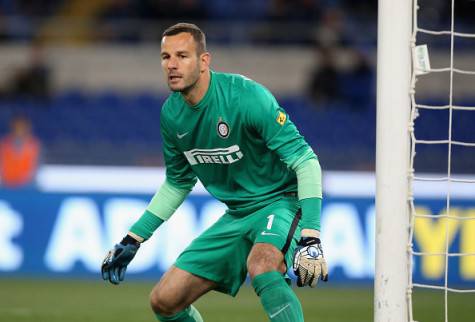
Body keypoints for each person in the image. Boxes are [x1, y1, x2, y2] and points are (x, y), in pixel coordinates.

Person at [102, 23, 328, 322]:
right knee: (165, 300)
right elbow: (178, 182)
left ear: (204, 60)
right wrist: (134, 238)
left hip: (282, 202)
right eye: (165, 56)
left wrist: (311, 235)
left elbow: (306, 161)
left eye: (182, 55)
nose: (171, 64)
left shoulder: (246, 97)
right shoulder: (172, 115)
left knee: (262, 265)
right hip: (237, 214)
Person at [0, 116, 40, 188]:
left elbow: (37, 165)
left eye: (22, 128)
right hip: (6, 183)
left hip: (27, 184)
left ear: (27, 129)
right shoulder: (3, 144)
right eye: (17, 127)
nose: (19, 130)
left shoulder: (34, 145)